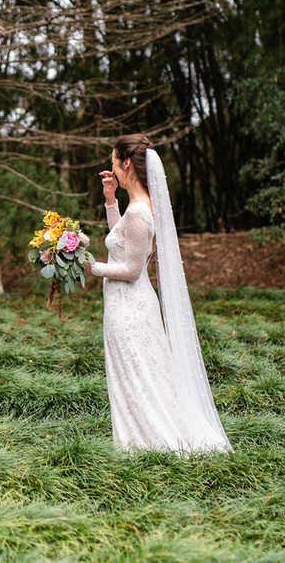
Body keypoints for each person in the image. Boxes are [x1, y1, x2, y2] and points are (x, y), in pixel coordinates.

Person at [87, 134, 231, 454]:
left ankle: (146, 443)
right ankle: (137, 441)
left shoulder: (140, 212)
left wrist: (91, 267)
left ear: (127, 163)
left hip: (130, 308)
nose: (111, 168)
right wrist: (110, 199)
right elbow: (119, 242)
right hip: (126, 306)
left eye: (113, 162)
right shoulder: (137, 208)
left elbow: (131, 270)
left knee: (137, 377)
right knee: (136, 375)